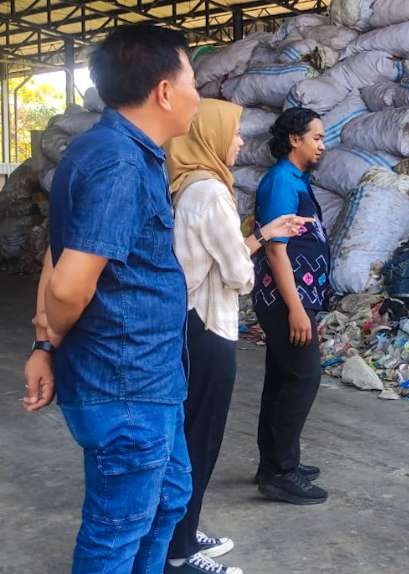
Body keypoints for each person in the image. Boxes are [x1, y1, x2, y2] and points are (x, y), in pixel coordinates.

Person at [27, 24, 200, 573]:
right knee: (116, 532)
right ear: (165, 92)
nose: (199, 94)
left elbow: (60, 254)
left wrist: (44, 345)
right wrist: (51, 339)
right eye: (193, 79)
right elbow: (69, 283)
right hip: (125, 385)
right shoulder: (119, 163)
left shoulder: (109, 151)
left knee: (169, 499)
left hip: (150, 380)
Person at [163, 99, 312, 574]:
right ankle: (180, 551)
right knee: (199, 438)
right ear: (209, 136)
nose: (241, 142)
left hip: (192, 323)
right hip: (207, 326)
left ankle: (184, 530)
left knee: (192, 435)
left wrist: (264, 231)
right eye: (234, 133)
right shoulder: (210, 192)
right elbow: (237, 275)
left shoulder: (189, 185)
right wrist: (261, 239)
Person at [251, 106, 330, 505]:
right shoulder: (282, 181)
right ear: (294, 139)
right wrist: (297, 309)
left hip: (290, 298)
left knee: (284, 379)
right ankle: (281, 472)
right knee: (303, 377)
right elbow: (277, 251)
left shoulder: (294, 179)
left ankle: (276, 463)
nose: (322, 144)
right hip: (285, 300)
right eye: (316, 137)